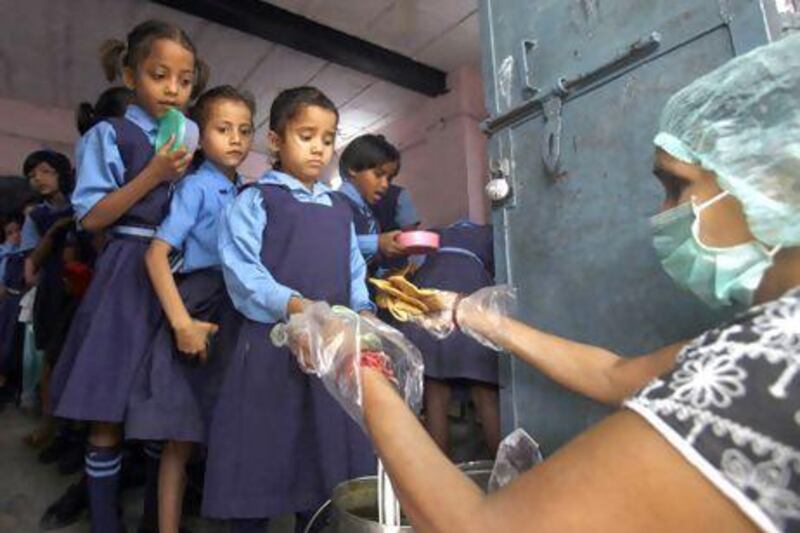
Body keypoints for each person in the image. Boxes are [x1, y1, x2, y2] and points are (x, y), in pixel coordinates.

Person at [290, 34, 800, 532]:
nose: (662, 215)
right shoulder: (770, 341)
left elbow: (478, 527)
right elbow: (614, 374)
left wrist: (359, 362)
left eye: (676, 187)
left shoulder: (774, 362)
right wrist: (474, 317)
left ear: (774, 184)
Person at [49, 19, 207, 533]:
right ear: (129, 74)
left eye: (184, 82)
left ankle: (155, 520)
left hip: (173, 278)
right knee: (107, 412)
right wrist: (155, 174)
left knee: (163, 406)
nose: (173, 89)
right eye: (160, 75)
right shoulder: (108, 133)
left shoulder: (184, 139)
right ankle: (103, 522)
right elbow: (92, 218)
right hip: (124, 275)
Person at [203, 86, 376, 532]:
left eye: (328, 138)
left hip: (330, 351)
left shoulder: (340, 208)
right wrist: (296, 306)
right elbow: (243, 274)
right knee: (262, 453)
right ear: (276, 141)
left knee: (322, 456)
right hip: (269, 350)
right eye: (306, 135)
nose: (320, 148)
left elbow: (353, 267)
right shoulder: (256, 200)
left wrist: (364, 311)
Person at [125, 85, 255, 533]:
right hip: (197, 306)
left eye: (244, 130)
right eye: (223, 129)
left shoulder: (250, 193)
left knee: (226, 427)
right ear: (201, 136)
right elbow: (155, 254)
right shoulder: (197, 187)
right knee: (180, 434)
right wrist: (181, 323)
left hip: (236, 309)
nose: (236, 139)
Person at [402, 220, 500, 456]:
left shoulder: (436, 232)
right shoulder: (490, 233)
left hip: (430, 299)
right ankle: (508, 473)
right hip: (468, 301)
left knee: (436, 394)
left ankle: (443, 476)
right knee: (485, 394)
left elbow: (413, 265)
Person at [336, 134, 408, 268]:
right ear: (353, 168)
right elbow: (334, 244)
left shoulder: (367, 211)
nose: (385, 184)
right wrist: (376, 243)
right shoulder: (334, 204)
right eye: (379, 174)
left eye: (389, 178)